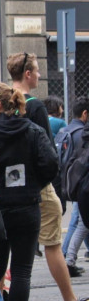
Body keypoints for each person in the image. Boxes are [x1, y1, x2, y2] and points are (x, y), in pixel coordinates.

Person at [7, 52, 88, 301]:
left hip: (7, 187)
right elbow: (46, 153)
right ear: (28, 74)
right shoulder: (35, 106)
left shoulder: (1, 99)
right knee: (52, 245)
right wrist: (54, 188)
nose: (40, 75)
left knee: (4, 251)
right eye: (38, 70)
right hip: (36, 187)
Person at [0, 82, 68, 301]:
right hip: (27, 206)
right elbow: (50, 164)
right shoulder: (31, 129)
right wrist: (33, 184)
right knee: (21, 271)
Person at [61, 97, 89, 276]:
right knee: (80, 224)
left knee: (80, 223)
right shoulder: (80, 133)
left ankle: (68, 257)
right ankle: (68, 258)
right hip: (84, 187)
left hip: (79, 185)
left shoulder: (69, 131)